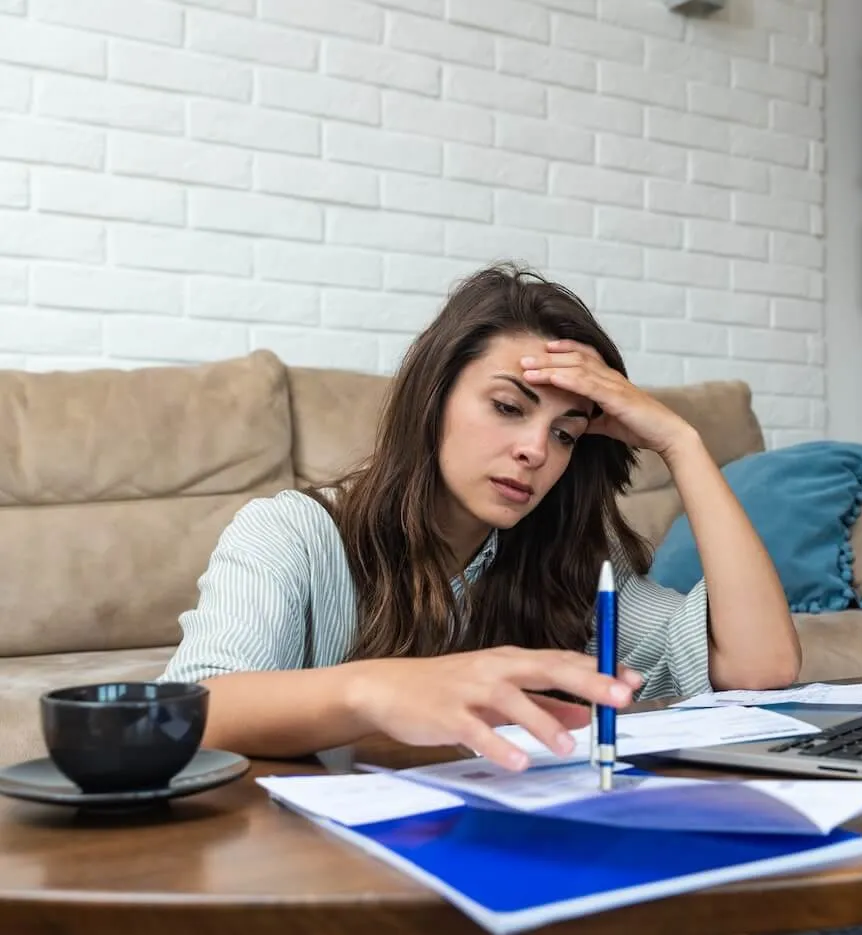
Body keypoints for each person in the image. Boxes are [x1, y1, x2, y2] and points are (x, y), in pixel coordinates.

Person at [158, 263, 802, 770]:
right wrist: (378, 690)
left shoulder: (568, 561)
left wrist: (680, 442)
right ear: (433, 399)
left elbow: (761, 667)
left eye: (566, 434)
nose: (536, 450)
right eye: (507, 407)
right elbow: (187, 713)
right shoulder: (290, 532)